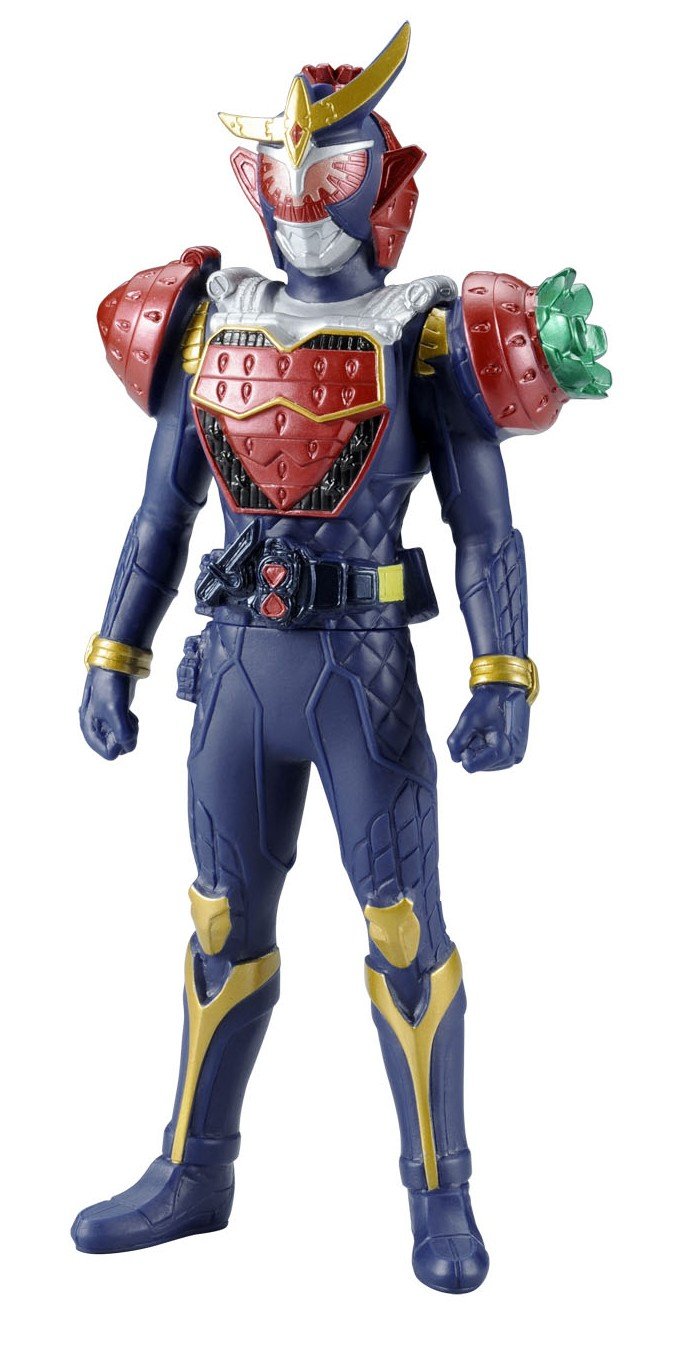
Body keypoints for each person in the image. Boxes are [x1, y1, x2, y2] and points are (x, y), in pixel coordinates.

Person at [72, 22, 610, 1291]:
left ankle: (440, 1197)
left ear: (382, 184)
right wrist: (113, 652)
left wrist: (503, 673)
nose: (304, 199)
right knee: (220, 925)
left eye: (332, 171)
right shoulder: (206, 319)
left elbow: (484, 529)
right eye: (284, 173)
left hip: (359, 677)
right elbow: (160, 514)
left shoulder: (427, 333)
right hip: (234, 671)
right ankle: (194, 1172)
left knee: (403, 935)